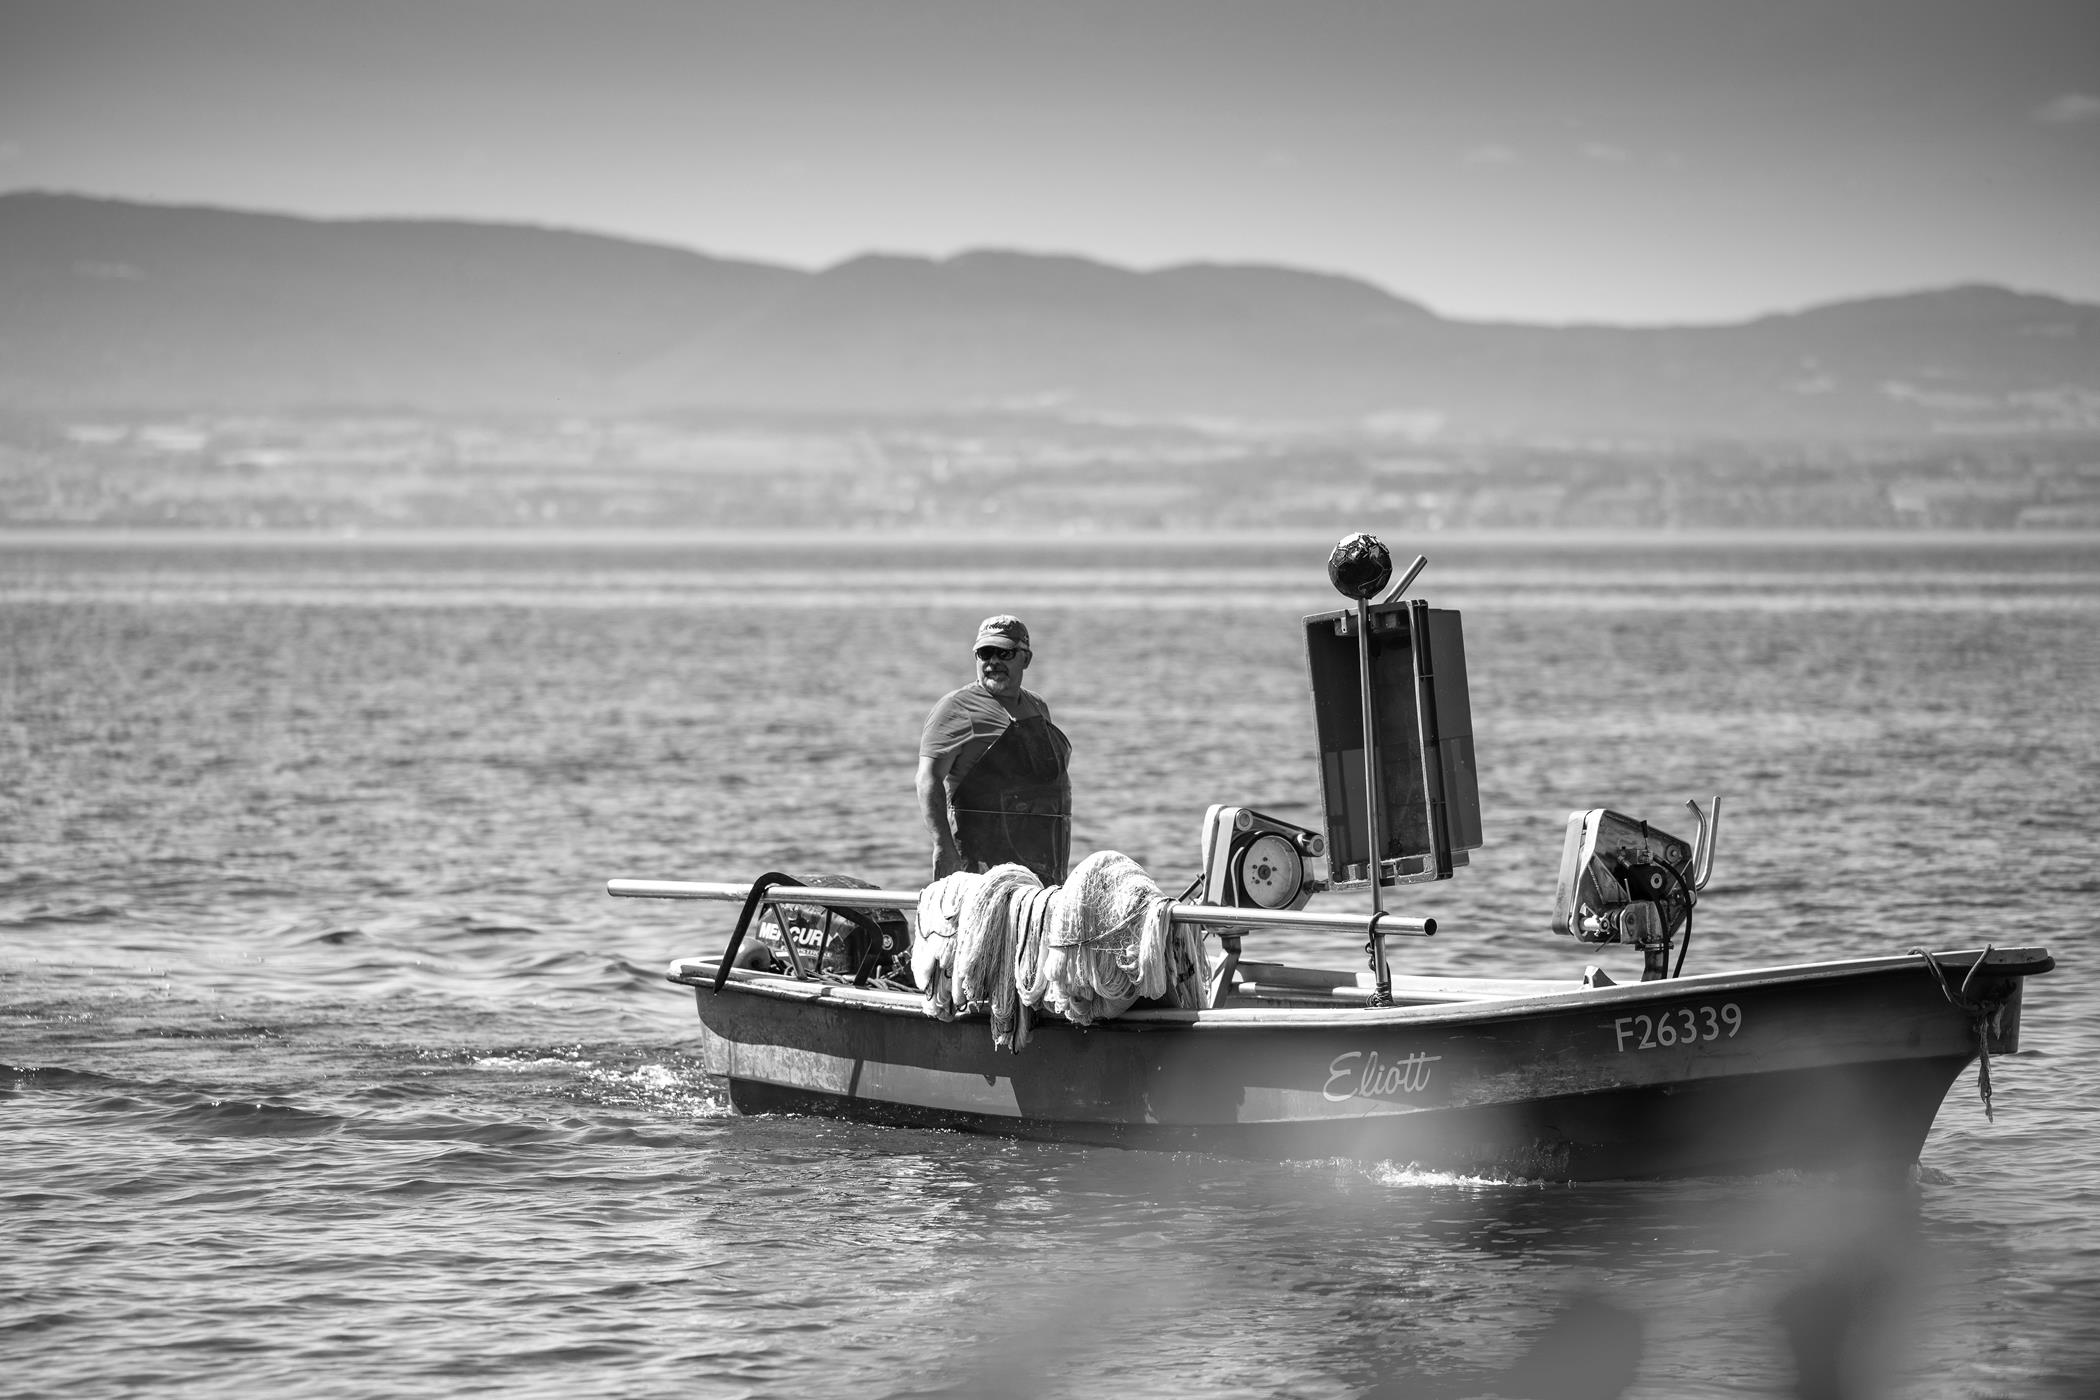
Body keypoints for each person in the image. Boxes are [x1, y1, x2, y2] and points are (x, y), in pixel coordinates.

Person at [916, 615, 1072, 885]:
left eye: (1004, 652)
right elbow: (927, 778)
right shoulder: (955, 708)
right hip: (981, 872)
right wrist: (942, 846)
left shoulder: (1038, 707)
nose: (993, 662)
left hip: (1045, 871)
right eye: (985, 653)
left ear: (1026, 658)